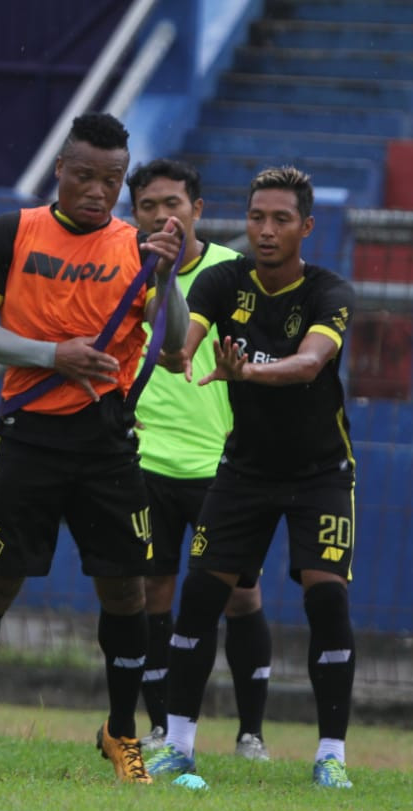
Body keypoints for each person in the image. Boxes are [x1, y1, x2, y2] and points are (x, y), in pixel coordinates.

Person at [0, 112, 187, 783]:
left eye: (112, 179)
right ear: (59, 171)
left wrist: (170, 274)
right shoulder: (13, 231)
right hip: (30, 438)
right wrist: (51, 355)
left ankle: (120, 732)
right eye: (85, 175)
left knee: (126, 592)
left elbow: (176, 342)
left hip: (109, 446)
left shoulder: (136, 246)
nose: (98, 190)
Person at [145, 165, 358, 788]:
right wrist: (165, 291)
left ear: (306, 228)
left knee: (327, 597)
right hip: (243, 471)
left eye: (281, 220)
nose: (265, 231)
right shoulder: (220, 281)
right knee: (202, 595)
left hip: (321, 473)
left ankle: (330, 758)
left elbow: (310, 364)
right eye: (257, 217)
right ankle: (180, 747)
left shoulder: (329, 292)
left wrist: (248, 374)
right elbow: (178, 350)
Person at [125, 159, 273, 762]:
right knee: (152, 590)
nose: (163, 216)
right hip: (145, 461)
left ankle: (251, 734)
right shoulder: (121, 271)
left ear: (199, 211)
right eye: (148, 206)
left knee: (240, 596)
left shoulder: (235, 275)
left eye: (174, 204)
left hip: (222, 468)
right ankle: (161, 727)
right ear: (132, 214)